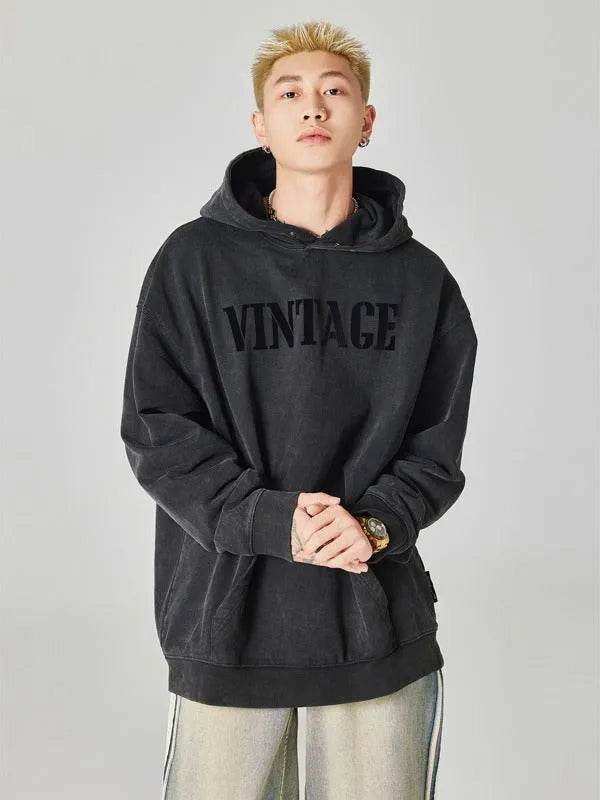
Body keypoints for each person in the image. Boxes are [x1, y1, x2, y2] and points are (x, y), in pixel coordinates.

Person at [120, 18, 478, 800]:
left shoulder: (423, 282)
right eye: (290, 93)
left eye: (334, 90)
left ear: (365, 120)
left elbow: (435, 448)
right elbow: (157, 428)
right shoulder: (192, 262)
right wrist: (268, 520)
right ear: (261, 124)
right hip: (227, 622)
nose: (313, 106)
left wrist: (374, 524)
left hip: (374, 623)